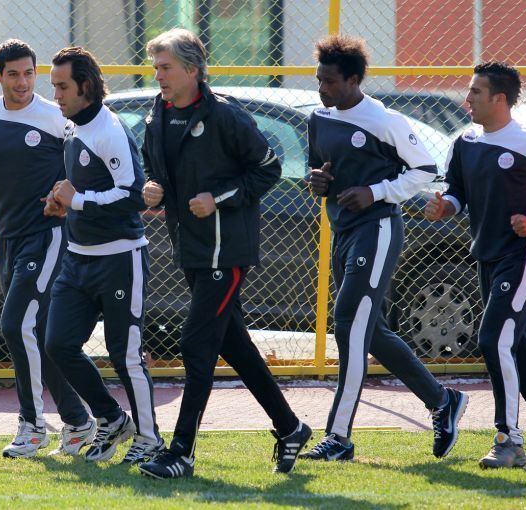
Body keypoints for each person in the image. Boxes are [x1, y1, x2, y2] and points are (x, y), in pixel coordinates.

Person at [136, 28, 311, 480]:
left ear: (192, 70)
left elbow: (268, 168)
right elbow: (153, 165)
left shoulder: (225, 116)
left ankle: (181, 452)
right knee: (233, 344)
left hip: (226, 250)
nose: (158, 75)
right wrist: (152, 187)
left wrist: (218, 198)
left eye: (165, 67)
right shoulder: (157, 113)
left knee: (196, 344)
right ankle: (290, 428)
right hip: (190, 246)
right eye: (156, 68)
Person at [303, 34, 468, 461]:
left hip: (377, 231)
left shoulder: (384, 120)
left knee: (348, 324)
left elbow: (425, 170)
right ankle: (442, 400)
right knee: (369, 330)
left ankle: (339, 436)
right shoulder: (319, 118)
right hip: (343, 232)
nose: (322, 88)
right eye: (319, 79)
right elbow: (318, 170)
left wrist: (375, 192)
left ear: (354, 80)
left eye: (330, 81)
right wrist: (317, 181)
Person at [0, 39, 95, 459]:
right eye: (13, 74)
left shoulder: (57, 118)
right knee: (41, 335)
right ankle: (81, 421)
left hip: (48, 235)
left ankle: (32, 427)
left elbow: (83, 172)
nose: (22, 82)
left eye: (29, 73)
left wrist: (65, 198)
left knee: (16, 325)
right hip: (10, 238)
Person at [424, 61, 526, 469]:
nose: (467, 99)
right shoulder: (465, 142)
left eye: (475, 92)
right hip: (487, 257)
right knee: (518, 348)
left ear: (499, 98)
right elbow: (457, 194)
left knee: (494, 339)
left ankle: (507, 440)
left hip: (525, 256)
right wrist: (444, 207)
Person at [44, 46, 164, 465]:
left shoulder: (110, 130)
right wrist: (62, 202)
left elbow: (133, 196)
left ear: (86, 86)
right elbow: (84, 187)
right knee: (58, 344)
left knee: (125, 354)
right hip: (77, 258)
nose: (56, 95)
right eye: (54, 86)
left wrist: (77, 200)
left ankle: (149, 438)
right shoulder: (73, 127)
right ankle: (112, 419)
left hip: (119, 259)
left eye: (63, 87)